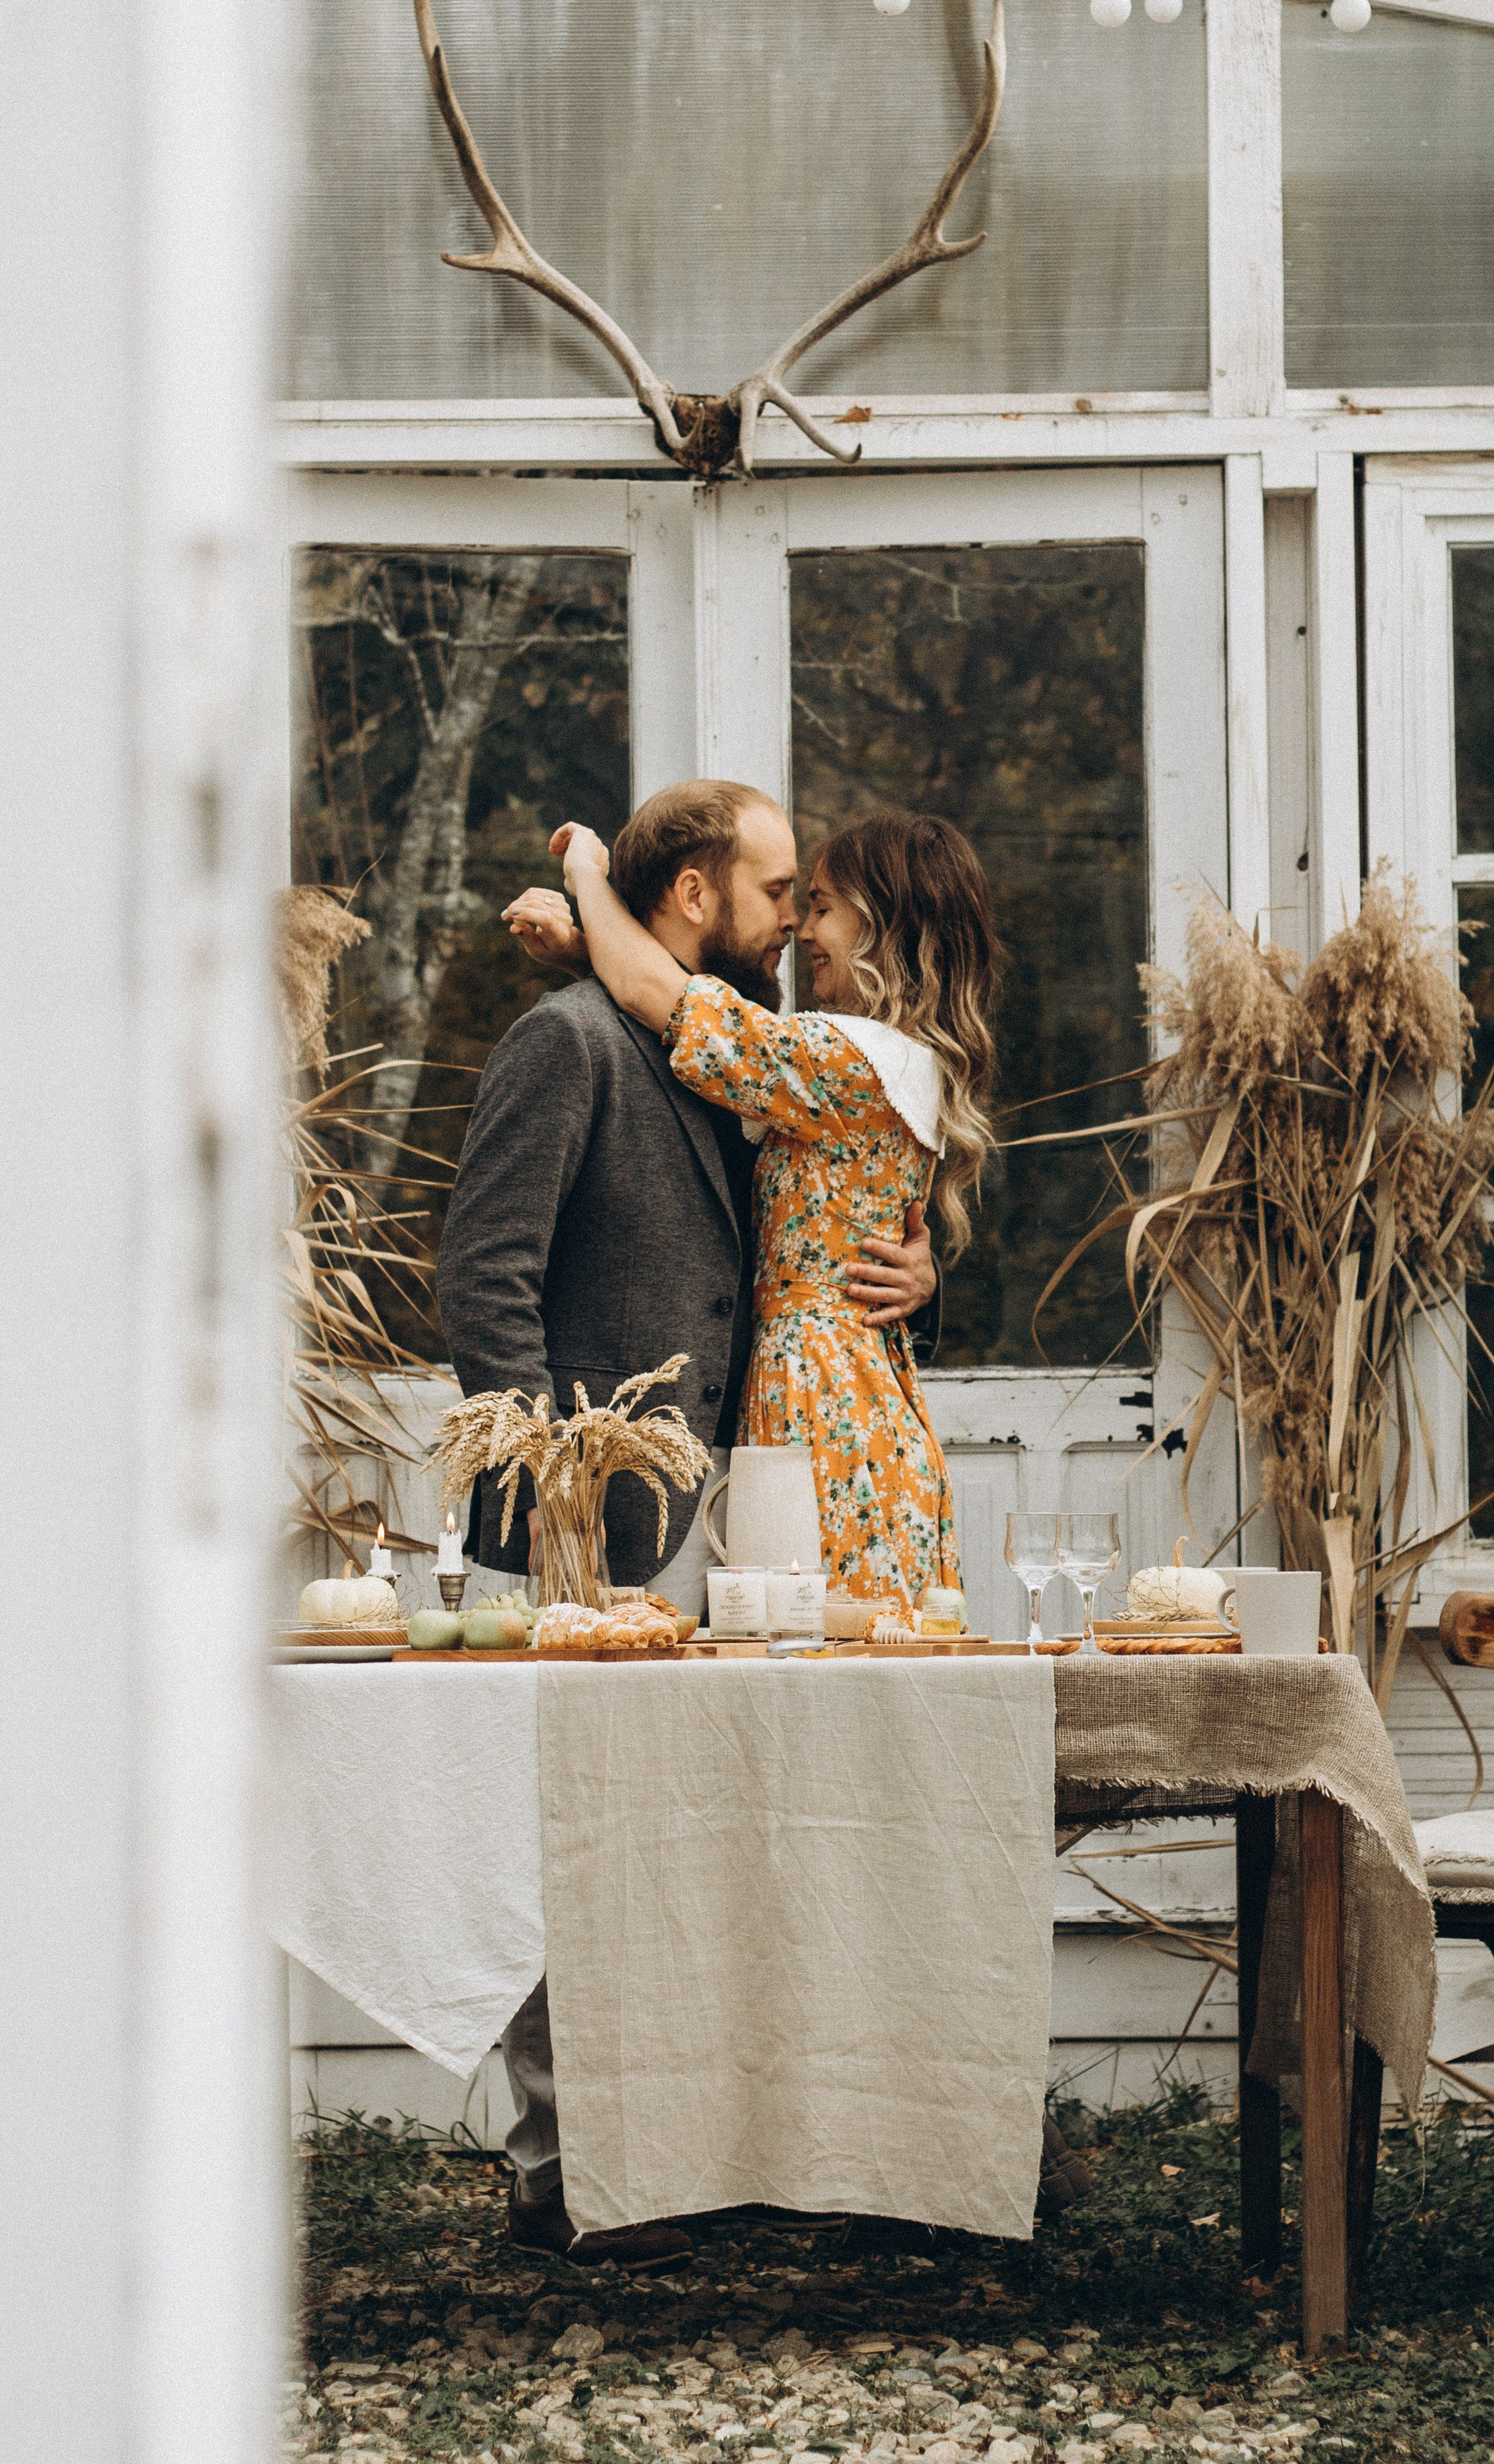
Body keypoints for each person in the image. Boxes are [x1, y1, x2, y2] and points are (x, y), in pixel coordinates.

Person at [436, 778, 937, 2266]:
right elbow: (484, 1276)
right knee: (556, 1843)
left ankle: (678, 2147)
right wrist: (541, 1492)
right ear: (697, 895)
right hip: (575, 1511)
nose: (795, 920)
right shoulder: (569, 1042)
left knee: (667, 1842)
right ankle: (554, 2167)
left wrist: (919, 1271)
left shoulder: (723, 1054)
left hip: (721, 1508)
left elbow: (802, 1242)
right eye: (777, 891)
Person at [554, 806, 999, 1618]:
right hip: (842, 1384)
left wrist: (588, 875)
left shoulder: (850, 1059)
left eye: (823, 905)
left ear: (886, 928)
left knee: (815, 1638)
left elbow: (659, 995)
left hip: (824, 1401)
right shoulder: (872, 1064)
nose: (799, 927)